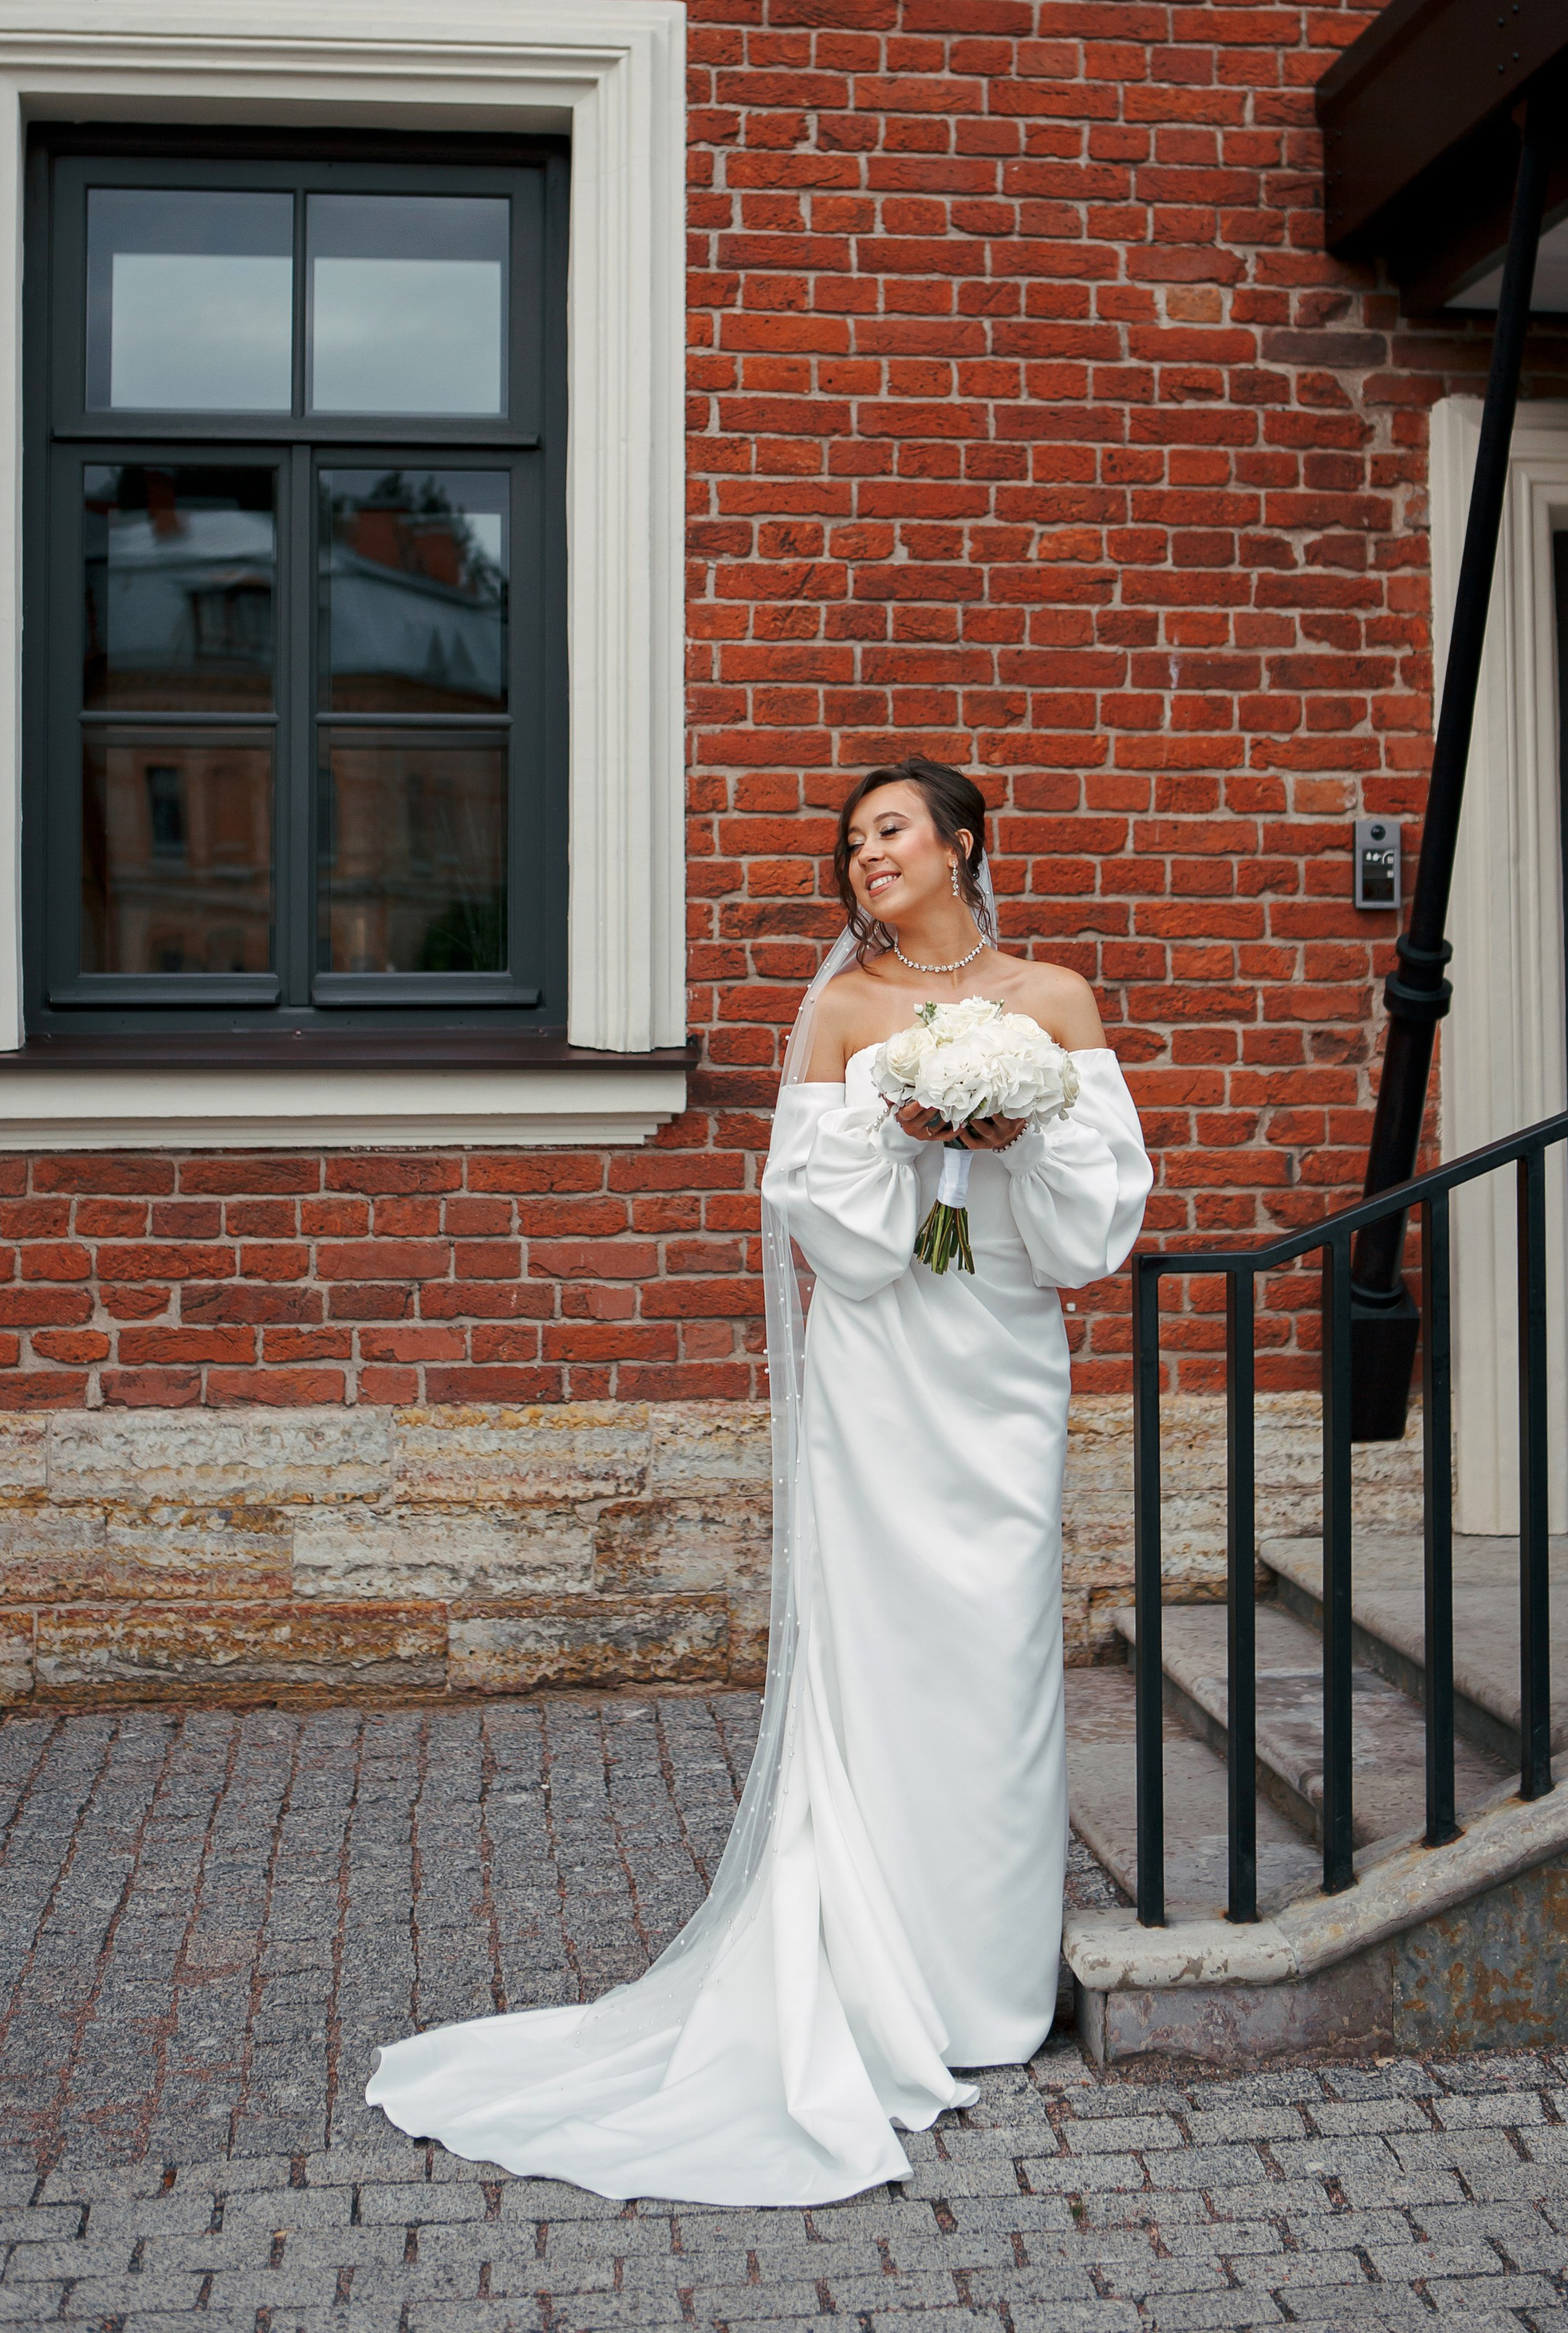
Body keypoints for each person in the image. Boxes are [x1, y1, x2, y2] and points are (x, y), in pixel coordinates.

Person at [365, 759, 1151, 2205]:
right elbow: (813, 1216)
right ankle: (878, 1963)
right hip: (883, 1359)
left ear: (964, 843)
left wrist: (1016, 1133)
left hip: (1000, 1360)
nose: (867, 858)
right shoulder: (845, 1013)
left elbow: (1096, 1219)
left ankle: (989, 1989)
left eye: (893, 831)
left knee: (1000, 1653)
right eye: (851, 843)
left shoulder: (1055, 999)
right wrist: (910, 1141)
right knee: (884, 1652)